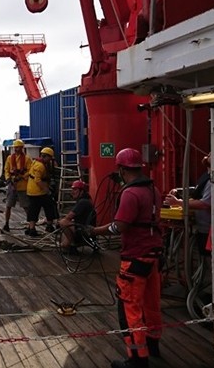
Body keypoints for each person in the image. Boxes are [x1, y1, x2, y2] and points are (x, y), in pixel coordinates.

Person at [90, 148, 163, 368]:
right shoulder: (153, 189)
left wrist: (94, 231)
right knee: (151, 303)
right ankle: (153, 344)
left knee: (129, 309)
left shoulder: (130, 194)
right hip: (154, 255)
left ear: (122, 169)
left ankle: (137, 359)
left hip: (135, 258)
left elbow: (119, 226)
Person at [164, 152, 211, 256]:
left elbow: (205, 204)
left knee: (209, 259)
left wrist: (178, 203)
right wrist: (179, 190)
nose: (208, 155)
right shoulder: (206, 176)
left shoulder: (211, 180)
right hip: (201, 226)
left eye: (211, 154)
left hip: (207, 228)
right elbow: (197, 189)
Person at [24, 147, 60, 237]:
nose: (50, 160)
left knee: (33, 210)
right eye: (50, 158)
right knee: (50, 206)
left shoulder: (35, 162)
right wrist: (47, 190)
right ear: (46, 157)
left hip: (31, 191)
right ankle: (49, 225)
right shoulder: (40, 166)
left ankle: (31, 228)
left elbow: (29, 174)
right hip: (39, 192)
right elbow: (38, 180)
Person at [56, 179, 96, 253]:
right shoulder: (86, 200)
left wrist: (58, 223)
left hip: (84, 231)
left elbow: (68, 217)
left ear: (82, 191)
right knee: (63, 241)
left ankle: (72, 246)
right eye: (72, 189)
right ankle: (67, 244)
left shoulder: (82, 202)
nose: (72, 192)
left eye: (75, 189)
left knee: (63, 222)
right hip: (86, 230)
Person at [3, 139, 32, 233]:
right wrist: (8, 178)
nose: (16, 149)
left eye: (18, 147)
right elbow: (6, 169)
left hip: (22, 186)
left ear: (22, 148)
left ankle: (30, 225)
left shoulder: (27, 159)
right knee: (8, 205)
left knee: (26, 206)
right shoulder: (9, 158)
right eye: (15, 147)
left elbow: (30, 171)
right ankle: (6, 224)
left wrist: (22, 177)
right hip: (12, 185)